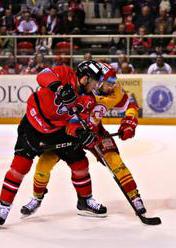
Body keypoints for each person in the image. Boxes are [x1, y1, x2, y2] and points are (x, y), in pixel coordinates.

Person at [20, 62, 148, 217]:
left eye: (113, 83)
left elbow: (131, 104)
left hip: (95, 132)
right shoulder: (79, 91)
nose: (111, 87)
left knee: (115, 162)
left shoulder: (114, 91)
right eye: (108, 83)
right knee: (44, 164)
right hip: (70, 134)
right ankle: (36, 197)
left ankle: (135, 197)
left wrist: (129, 122)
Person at [0, 61, 107, 225]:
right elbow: (42, 76)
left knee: (80, 163)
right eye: (95, 82)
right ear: (85, 78)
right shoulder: (65, 73)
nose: (96, 86)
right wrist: (59, 88)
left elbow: (75, 123)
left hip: (58, 132)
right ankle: (3, 206)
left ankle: (85, 200)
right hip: (33, 125)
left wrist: (80, 133)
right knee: (19, 166)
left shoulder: (88, 100)